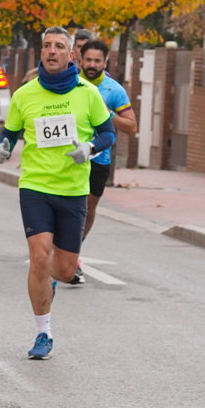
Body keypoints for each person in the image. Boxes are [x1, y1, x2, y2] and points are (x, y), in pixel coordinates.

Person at [0, 26, 115, 359]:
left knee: (63, 270)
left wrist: (89, 148)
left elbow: (108, 133)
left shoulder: (88, 93)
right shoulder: (25, 94)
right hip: (35, 186)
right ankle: (43, 332)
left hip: (73, 189)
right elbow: (10, 134)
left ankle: (49, 282)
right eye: (47, 45)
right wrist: (3, 147)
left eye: (59, 46)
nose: (51, 51)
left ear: (70, 54)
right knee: (38, 256)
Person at [68, 39, 138, 284]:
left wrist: (107, 114)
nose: (92, 65)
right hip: (70, 156)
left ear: (105, 63)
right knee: (70, 206)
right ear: (80, 60)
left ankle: (73, 252)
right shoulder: (69, 83)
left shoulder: (114, 90)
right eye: (88, 60)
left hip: (99, 158)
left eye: (97, 61)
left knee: (88, 209)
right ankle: (68, 254)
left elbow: (131, 126)